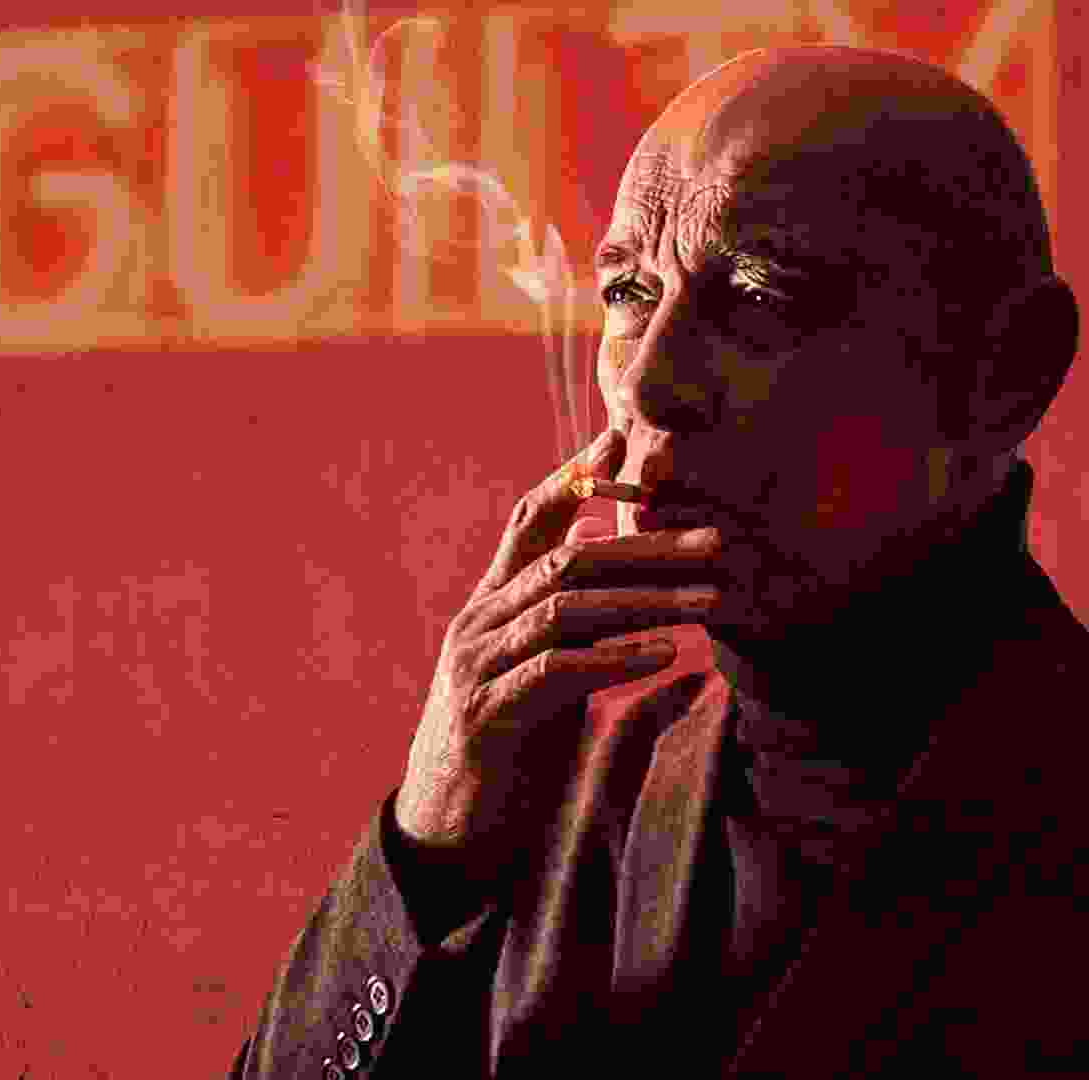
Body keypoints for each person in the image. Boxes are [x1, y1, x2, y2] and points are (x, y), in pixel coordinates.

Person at [229, 45, 1088, 1078]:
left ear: (1007, 373)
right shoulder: (552, 802)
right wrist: (423, 850)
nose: (649, 382)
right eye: (630, 291)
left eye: (763, 298)